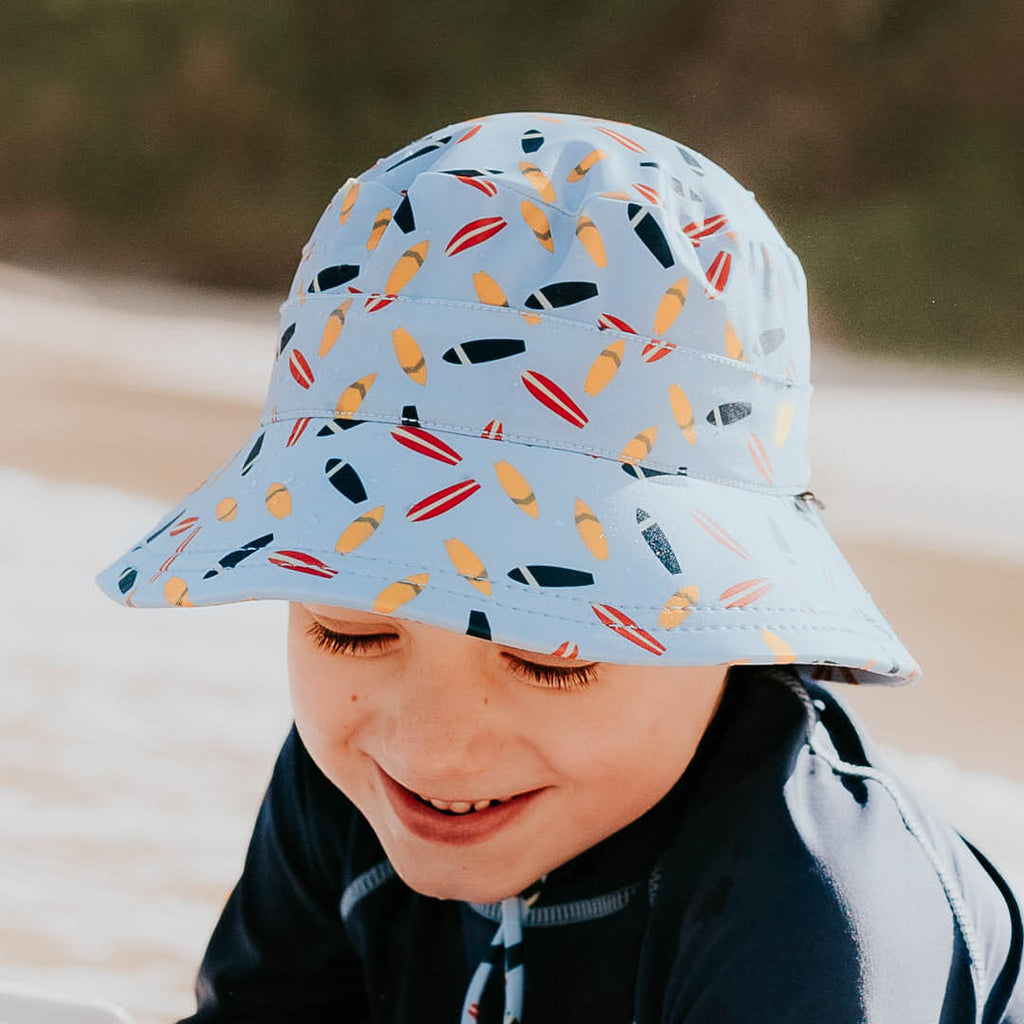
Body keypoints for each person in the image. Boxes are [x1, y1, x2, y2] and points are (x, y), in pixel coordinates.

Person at [95, 112, 1024, 1022]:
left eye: (554, 657)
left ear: (731, 632)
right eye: (353, 631)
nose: (432, 751)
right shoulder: (346, 785)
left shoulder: (817, 921)